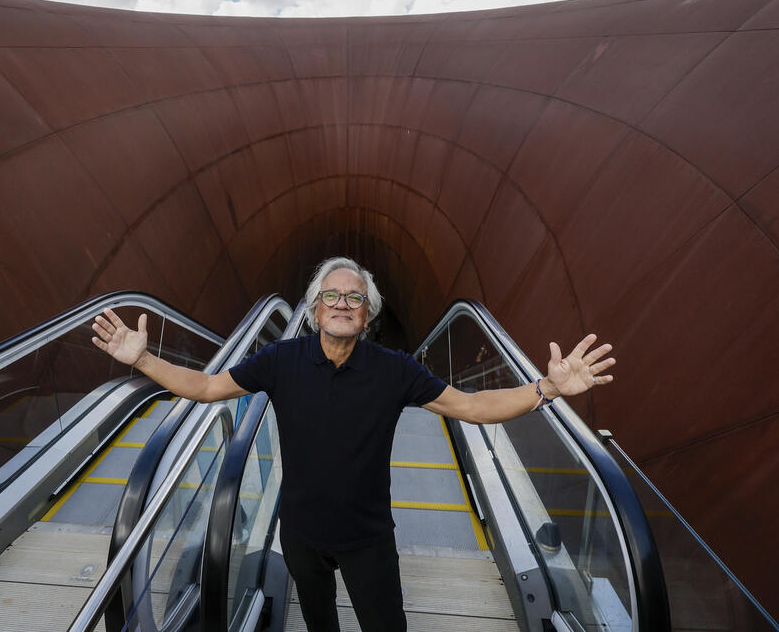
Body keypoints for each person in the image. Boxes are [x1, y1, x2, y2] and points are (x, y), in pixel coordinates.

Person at [91, 256, 615, 632]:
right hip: (301, 536)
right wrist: (142, 359)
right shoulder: (281, 361)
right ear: (316, 310)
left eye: (354, 298)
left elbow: (472, 408)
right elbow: (207, 388)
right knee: (321, 624)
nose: (343, 304)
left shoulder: (394, 371)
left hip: (368, 540)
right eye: (332, 296)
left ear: (366, 316)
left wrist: (547, 388)